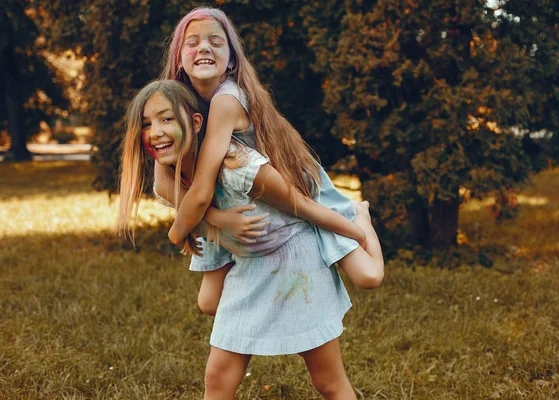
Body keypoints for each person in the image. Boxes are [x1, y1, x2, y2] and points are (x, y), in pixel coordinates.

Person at [118, 79, 379, 399]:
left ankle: (360, 215)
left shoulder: (240, 167)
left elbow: (305, 207)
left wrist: (356, 231)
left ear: (196, 122)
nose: (155, 131)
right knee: (217, 378)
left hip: (296, 258)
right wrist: (220, 220)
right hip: (249, 262)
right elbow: (199, 207)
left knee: (327, 380)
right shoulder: (169, 179)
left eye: (167, 118)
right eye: (146, 124)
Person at [159, 7, 384, 304]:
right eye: (193, 42)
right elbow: (162, 182)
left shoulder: (227, 101)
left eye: (216, 42)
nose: (204, 47)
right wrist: (217, 219)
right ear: (178, 58)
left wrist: (178, 232)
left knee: (368, 277)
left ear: (232, 61)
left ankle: (359, 214)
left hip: (294, 184)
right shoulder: (176, 103)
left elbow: (199, 191)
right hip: (239, 197)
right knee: (209, 302)